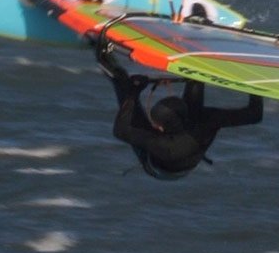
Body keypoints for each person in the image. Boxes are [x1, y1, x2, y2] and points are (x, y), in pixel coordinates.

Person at [93, 37, 263, 179]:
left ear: (158, 127)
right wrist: (252, 79)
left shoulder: (158, 143)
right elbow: (254, 114)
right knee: (196, 78)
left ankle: (101, 53)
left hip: (159, 167)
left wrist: (133, 94)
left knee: (124, 87)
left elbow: (121, 131)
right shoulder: (207, 121)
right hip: (187, 144)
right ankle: (199, 36)